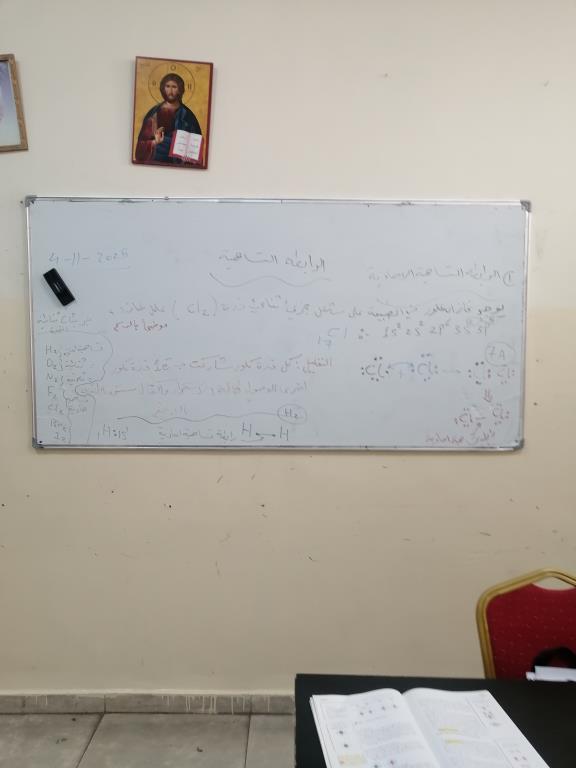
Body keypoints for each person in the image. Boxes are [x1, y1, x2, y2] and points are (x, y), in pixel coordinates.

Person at [135, 73, 202, 164]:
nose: (170, 91)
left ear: (180, 90)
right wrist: (155, 142)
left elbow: (196, 147)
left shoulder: (187, 115)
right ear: (163, 88)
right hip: (156, 162)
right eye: (167, 86)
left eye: (174, 87)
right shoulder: (154, 113)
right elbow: (141, 146)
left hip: (179, 164)